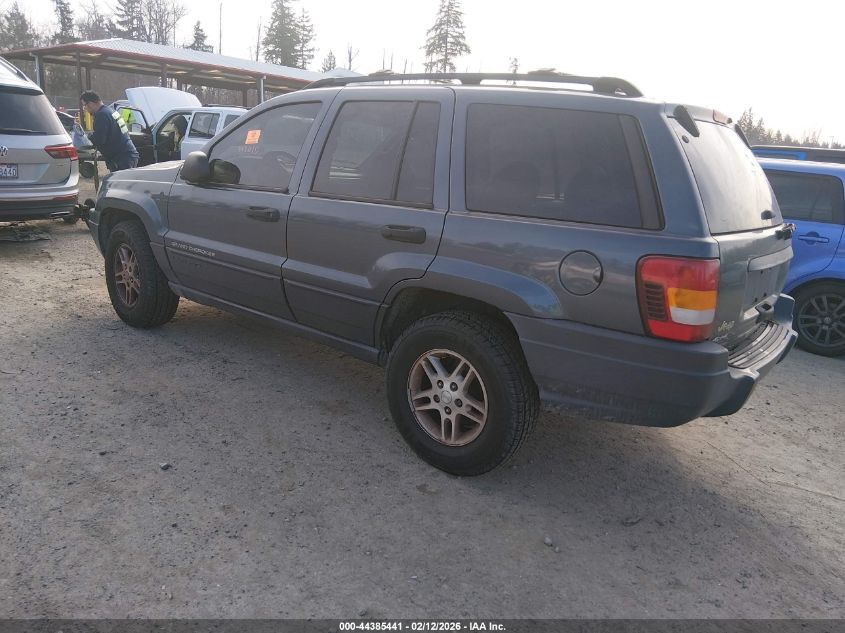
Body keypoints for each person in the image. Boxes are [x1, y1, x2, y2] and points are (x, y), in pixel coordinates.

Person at [80, 91, 139, 172]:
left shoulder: (102, 115)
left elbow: (100, 140)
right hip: (127, 155)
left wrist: (88, 137)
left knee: (119, 184)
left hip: (121, 159)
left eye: (84, 105)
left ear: (90, 103)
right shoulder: (111, 111)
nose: (85, 109)